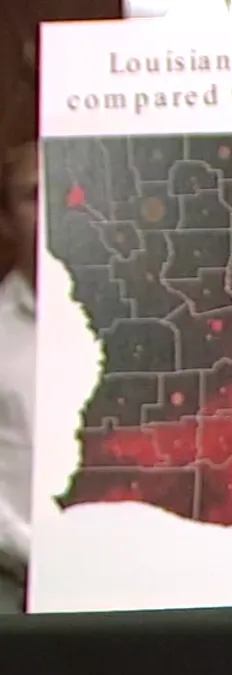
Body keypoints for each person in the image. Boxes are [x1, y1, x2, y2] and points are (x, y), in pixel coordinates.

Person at [0, 142, 37, 613]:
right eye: (31, 195)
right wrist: (36, 552)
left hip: (127, 578)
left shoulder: (144, 330)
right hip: (11, 586)